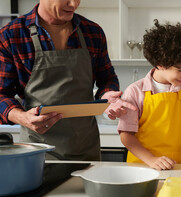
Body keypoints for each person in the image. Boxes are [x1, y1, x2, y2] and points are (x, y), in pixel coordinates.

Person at [0, 0, 136, 160]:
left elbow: (107, 79)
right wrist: (22, 118)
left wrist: (106, 96)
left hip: (86, 149)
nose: (74, 4)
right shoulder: (11, 35)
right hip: (38, 152)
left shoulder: (92, 32)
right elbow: (2, 94)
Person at [118, 20, 181, 170]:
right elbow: (126, 135)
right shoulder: (135, 91)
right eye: (180, 70)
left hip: (176, 164)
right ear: (160, 63)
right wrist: (151, 160)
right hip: (142, 166)